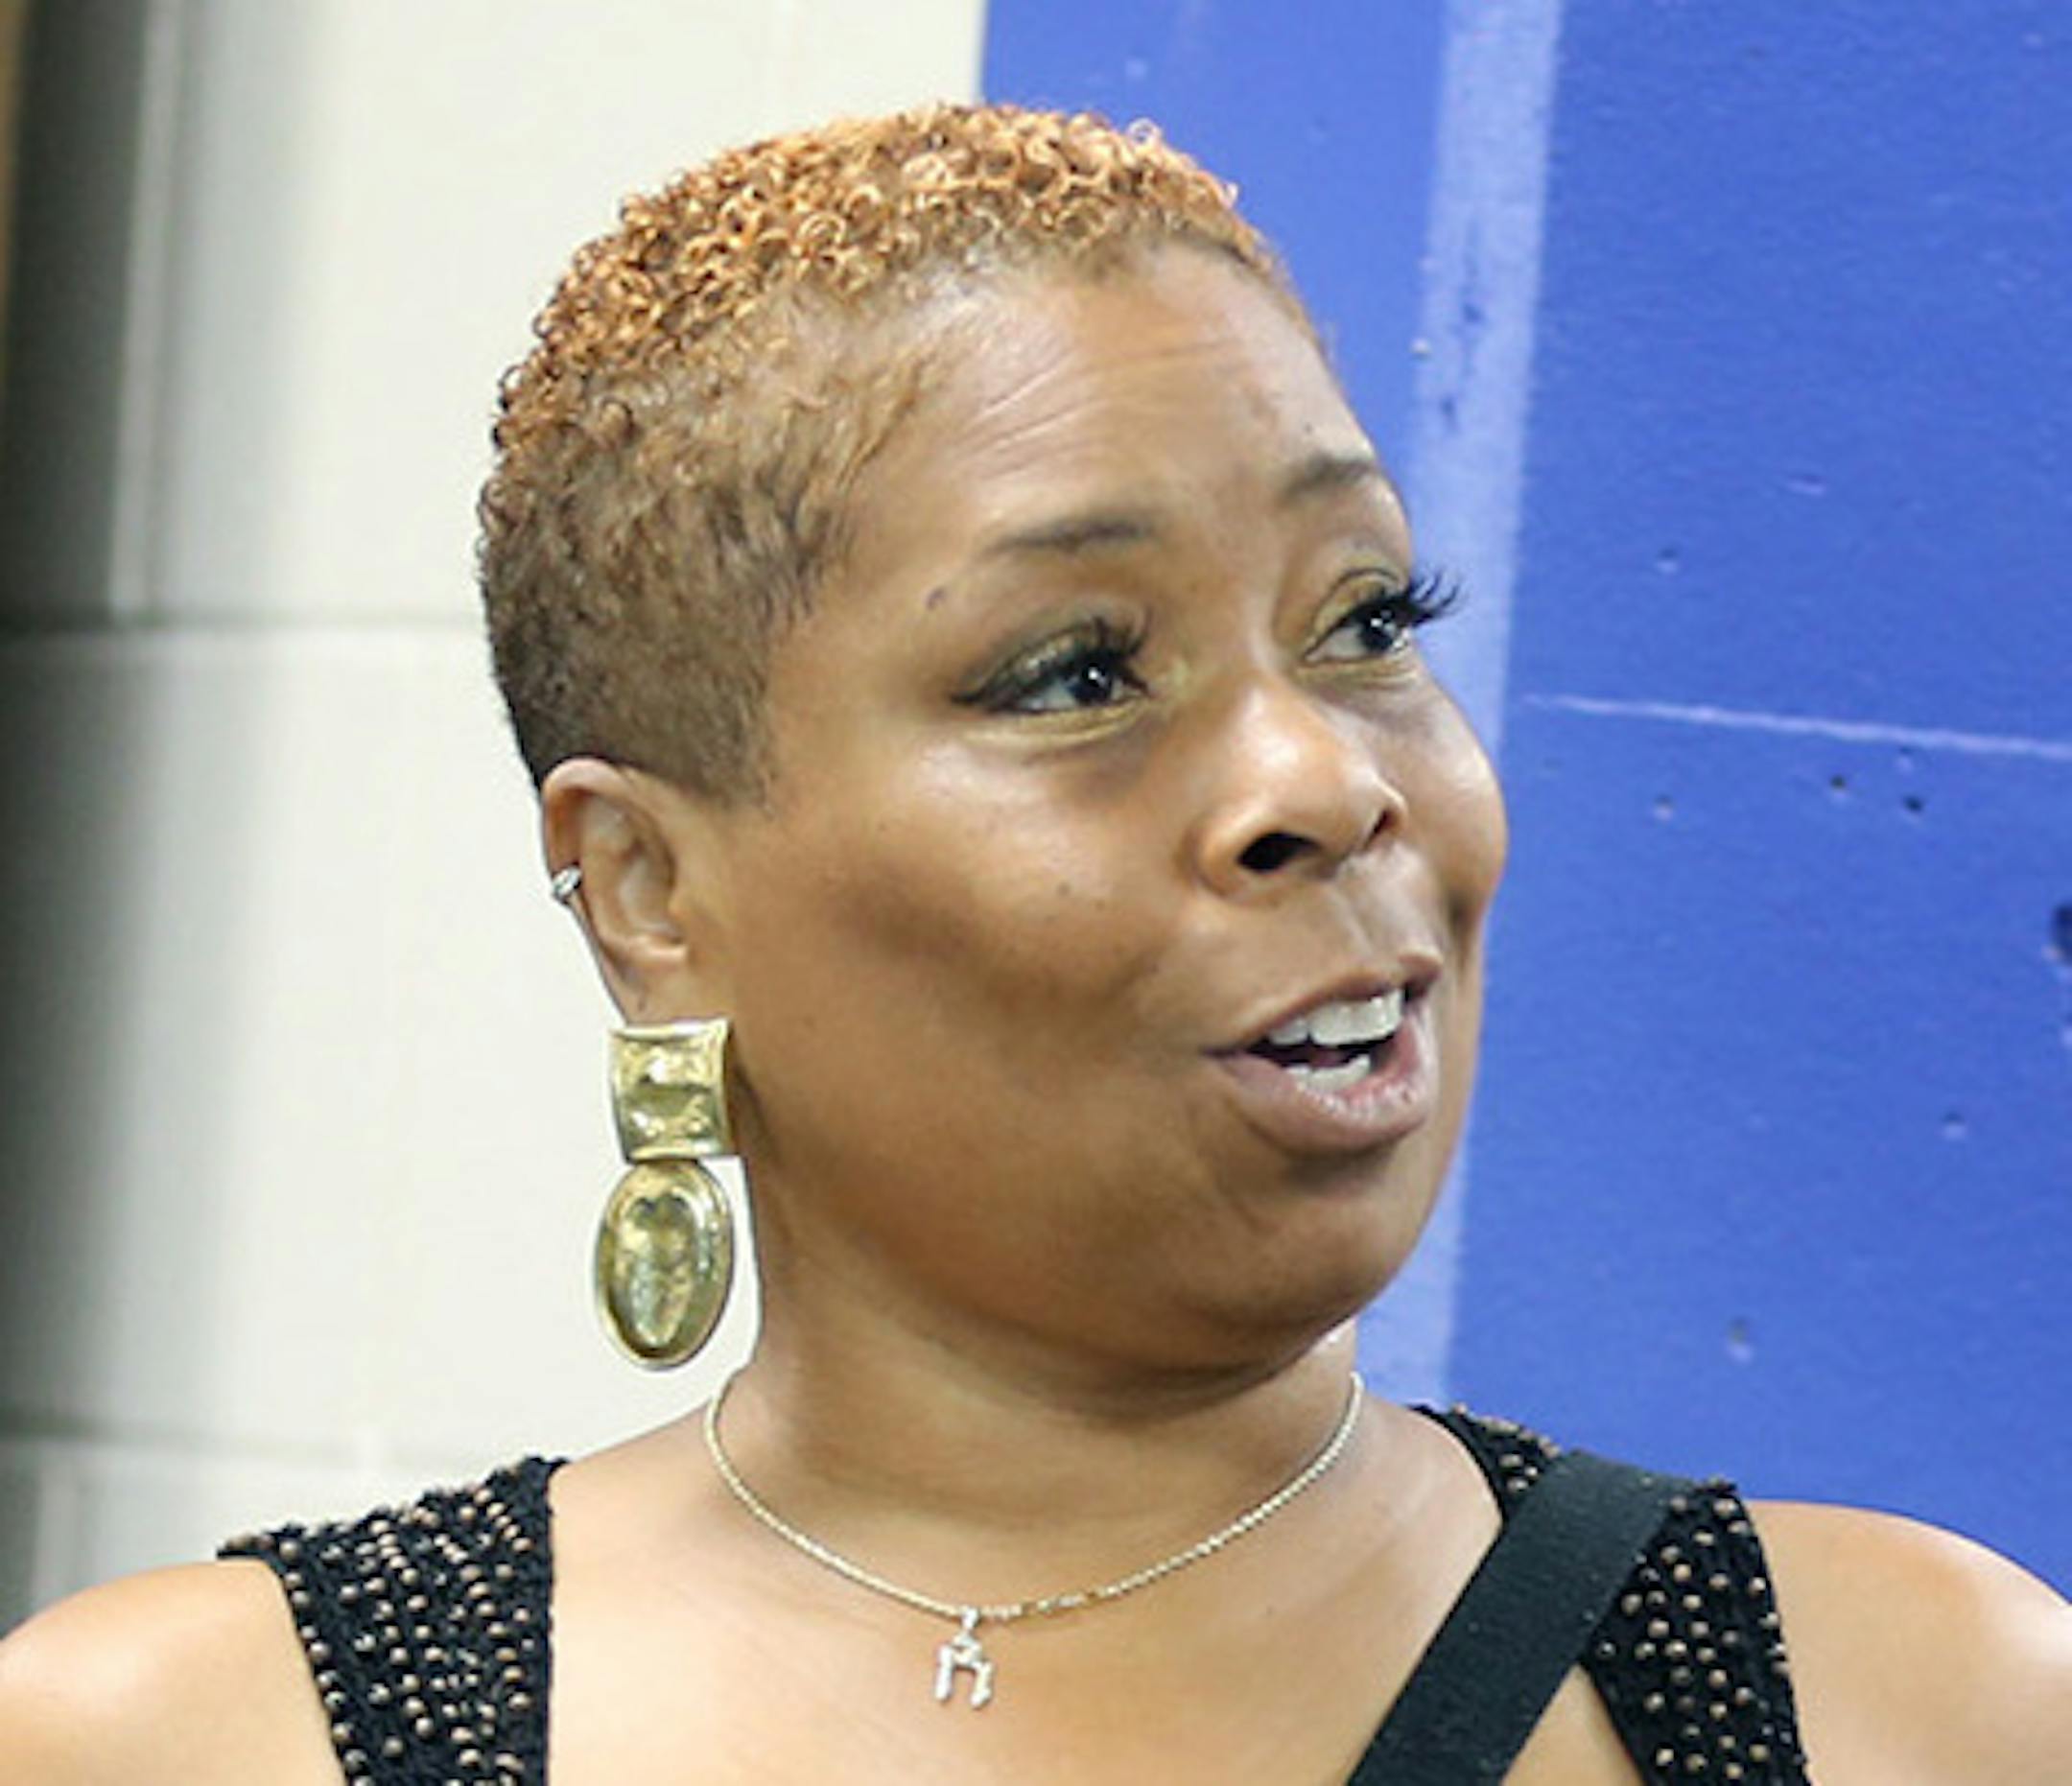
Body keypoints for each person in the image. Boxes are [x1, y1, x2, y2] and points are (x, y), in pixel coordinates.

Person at [0, 102, 2065, 1785]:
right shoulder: (196, 1739)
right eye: (1081, 670)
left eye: (1365, 620)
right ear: (648, 890)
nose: (1323, 782)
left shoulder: (1903, 1711)